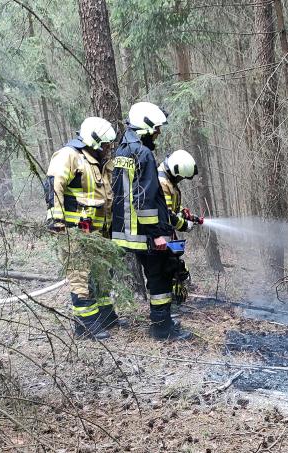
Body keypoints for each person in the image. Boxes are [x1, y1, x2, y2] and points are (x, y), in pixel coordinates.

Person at [110, 102, 193, 341]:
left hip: (127, 231)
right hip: (146, 233)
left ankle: (162, 323)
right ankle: (162, 329)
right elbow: (144, 198)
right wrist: (157, 233)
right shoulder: (143, 154)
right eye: (156, 128)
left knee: (156, 275)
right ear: (145, 127)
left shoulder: (122, 151)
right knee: (160, 276)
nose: (158, 132)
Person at [44, 117, 126, 340]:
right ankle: (86, 325)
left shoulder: (102, 161)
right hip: (75, 231)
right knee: (80, 276)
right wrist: (57, 221)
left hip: (100, 231)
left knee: (102, 273)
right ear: (94, 141)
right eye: (106, 145)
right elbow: (53, 185)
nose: (109, 148)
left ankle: (106, 316)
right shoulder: (69, 156)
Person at [158, 150, 202, 305]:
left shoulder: (169, 181)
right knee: (170, 268)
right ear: (175, 170)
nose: (181, 179)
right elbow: (167, 215)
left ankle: (175, 302)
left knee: (175, 266)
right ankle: (170, 305)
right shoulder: (163, 183)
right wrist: (184, 225)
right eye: (181, 177)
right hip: (159, 235)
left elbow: (172, 207)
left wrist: (184, 213)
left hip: (166, 234)